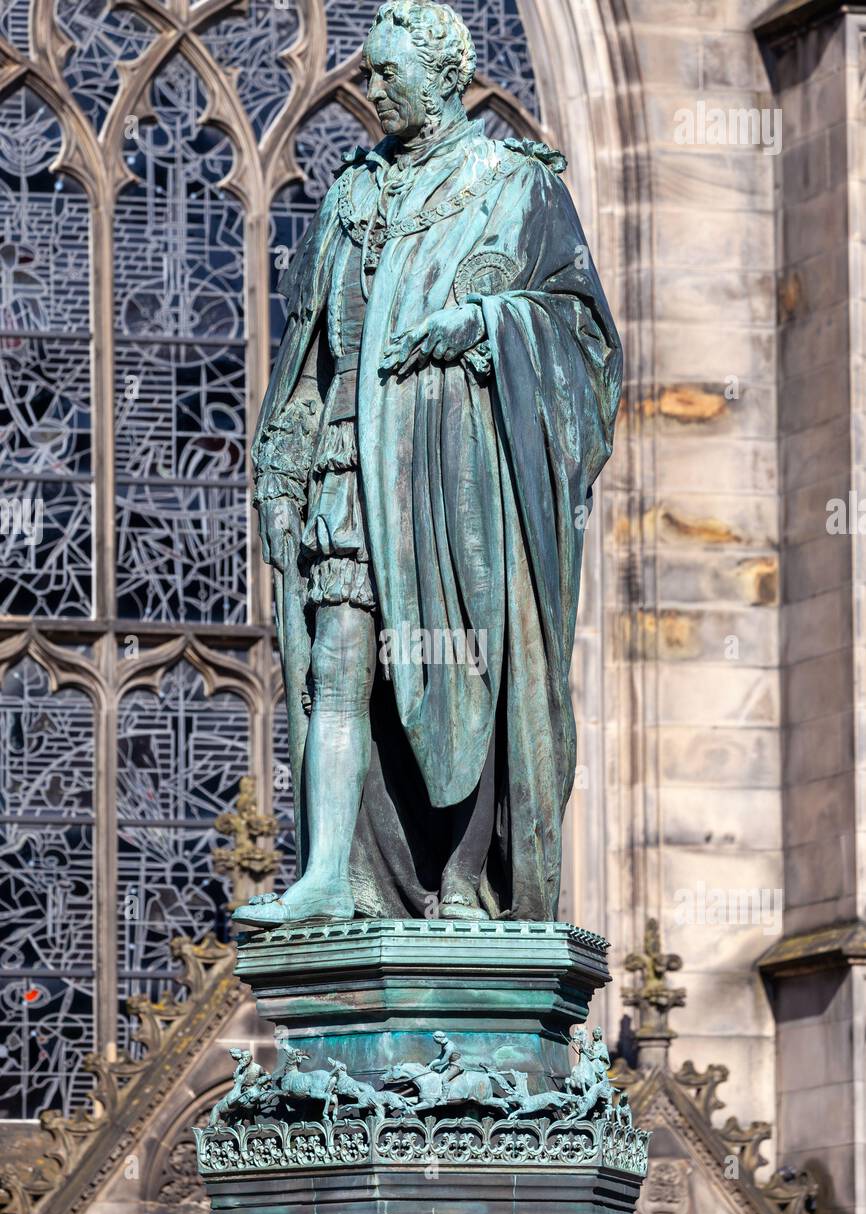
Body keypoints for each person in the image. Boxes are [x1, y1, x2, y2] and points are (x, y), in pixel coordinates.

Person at [235, 1, 621, 929]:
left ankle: (462, 885)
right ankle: (329, 873)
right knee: (338, 666)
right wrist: (283, 469)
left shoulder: (509, 185)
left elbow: (584, 341)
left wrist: (483, 327)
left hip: (451, 483)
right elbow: (311, 353)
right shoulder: (350, 196)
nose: (367, 89)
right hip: (345, 463)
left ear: (444, 74)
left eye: (384, 73)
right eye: (366, 71)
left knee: (456, 671)